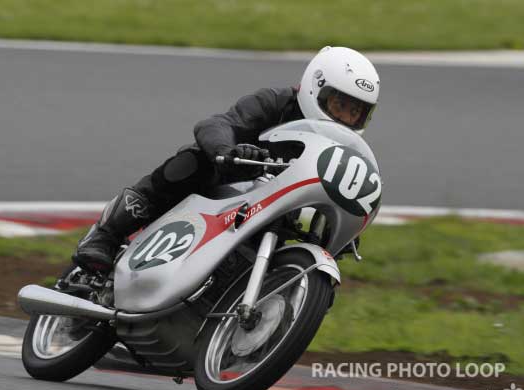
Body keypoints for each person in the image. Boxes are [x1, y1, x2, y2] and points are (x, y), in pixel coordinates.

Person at [73, 46, 381, 273]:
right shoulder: (274, 102)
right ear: (317, 86)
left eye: (355, 112)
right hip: (226, 186)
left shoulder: (342, 151)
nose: (345, 117)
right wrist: (228, 151)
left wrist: (343, 224)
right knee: (191, 162)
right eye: (340, 105)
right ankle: (105, 235)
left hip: (273, 214)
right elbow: (217, 124)